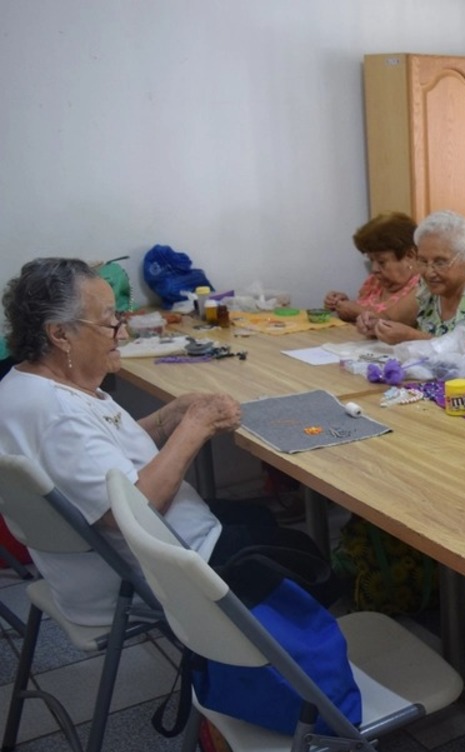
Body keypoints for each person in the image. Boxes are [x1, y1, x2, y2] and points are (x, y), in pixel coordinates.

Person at [0, 258, 338, 626]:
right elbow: (134, 512)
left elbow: (101, 456)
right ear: (60, 334)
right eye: (111, 322)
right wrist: (194, 427)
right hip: (163, 573)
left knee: (258, 517)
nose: (122, 334)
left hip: (134, 557)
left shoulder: (22, 385)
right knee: (309, 558)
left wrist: (166, 420)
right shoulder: (57, 413)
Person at [356, 210, 465, 373]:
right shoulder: (429, 288)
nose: (429, 272)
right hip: (440, 383)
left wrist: (413, 337)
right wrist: (373, 322)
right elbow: (391, 317)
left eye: (440, 262)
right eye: (423, 261)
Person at [323, 211, 421, 322]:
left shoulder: (423, 288)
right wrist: (342, 303)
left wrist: (356, 311)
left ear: (410, 255)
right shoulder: (376, 282)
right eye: (371, 260)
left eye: (381, 261)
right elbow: (367, 309)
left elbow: (390, 322)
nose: (374, 269)